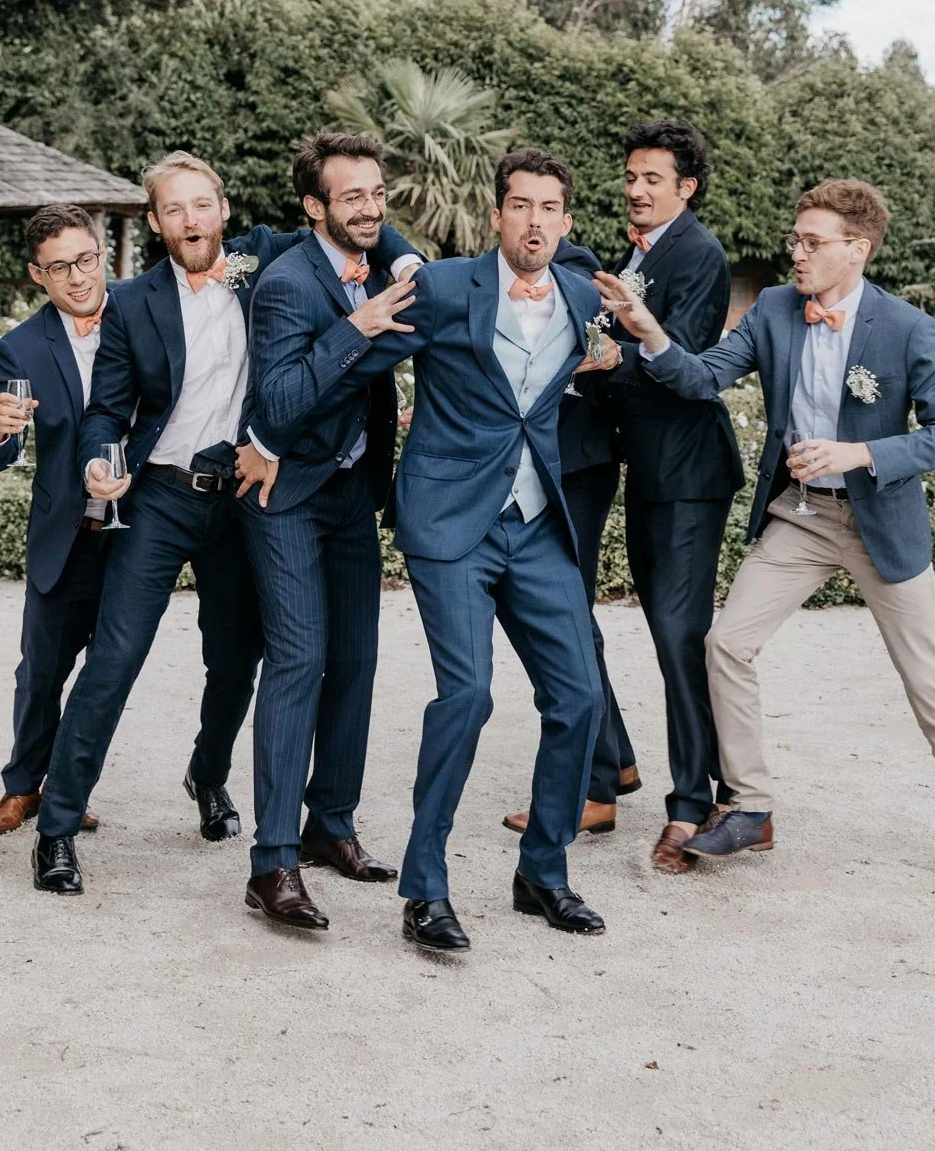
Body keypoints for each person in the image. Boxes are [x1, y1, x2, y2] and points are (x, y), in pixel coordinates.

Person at [596, 177, 935, 892]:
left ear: (857, 250)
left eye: (813, 243)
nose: (797, 252)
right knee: (726, 645)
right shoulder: (777, 310)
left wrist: (860, 454)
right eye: (796, 238)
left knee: (929, 686)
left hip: (879, 521)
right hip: (803, 516)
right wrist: (649, 332)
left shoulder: (906, 326)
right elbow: (700, 379)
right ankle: (751, 806)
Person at [31, 151, 416, 896]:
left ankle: (208, 776)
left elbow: (364, 225)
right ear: (155, 222)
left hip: (243, 499)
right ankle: (56, 825)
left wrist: (410, 259)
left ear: (224, 209)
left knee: (239, 662)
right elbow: (108, 407)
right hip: (161, 500)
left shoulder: (264, 259)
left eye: (201, 205)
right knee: (114, 659)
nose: (190, 221)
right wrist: (97, 461)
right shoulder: (133, 303)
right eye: (173, 210)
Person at [264, 147, 612, 953]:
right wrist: (277, 438)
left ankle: (543, 874)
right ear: (497, 215)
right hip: (451, 526)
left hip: (536, 524)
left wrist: (621, 354)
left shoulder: (584, 293)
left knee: (580, 699)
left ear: (566, 219)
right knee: (468, 696)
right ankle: (425, 890)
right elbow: (358, 361)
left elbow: (591, 368)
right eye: (519, 205)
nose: (534, 222)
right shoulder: (449, 286)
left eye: (549, 208)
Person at [234, 133, 420, 930]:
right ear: (314, 207)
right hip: (286, 494)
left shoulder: (380, 263)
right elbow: (275, 404)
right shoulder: (285, 284)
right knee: (299, 659)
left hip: (352, 489)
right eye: (353, 197)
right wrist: (357, 332)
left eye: (377, 192)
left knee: (355, 659)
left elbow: (408, 337)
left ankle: (330, 824)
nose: (371, 207)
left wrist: (385, 306)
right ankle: (271, 862)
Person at [599, 120, 744, 875]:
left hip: (688, 476)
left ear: (685, 188)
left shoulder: (702, 254)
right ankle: (697, 785)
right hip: (650, 471)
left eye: (652, 178)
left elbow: (676, 355)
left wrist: (594, 359)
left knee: (679, 640)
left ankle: (695, 805)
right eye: (631, 176)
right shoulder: (640, 250)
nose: (636, 189)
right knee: (668, 632)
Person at [0, 204, 111, 838]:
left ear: (101, 254)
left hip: (140, 536)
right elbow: (2, 447)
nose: (77, 277)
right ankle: (22, 787)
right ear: (37, 274)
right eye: (59, 267)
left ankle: (69, 790)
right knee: (41, 670)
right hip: (66, 536)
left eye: (85, 260)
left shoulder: (141, 317)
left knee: (107, 674)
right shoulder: (21, 345)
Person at [501, 233, 636, 840]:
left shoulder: (568, 265)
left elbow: (596, 341)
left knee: (562, 620)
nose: (532, 222)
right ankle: (618, 758)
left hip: (571, 464)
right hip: (548, 461)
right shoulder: (497, 273)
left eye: (546, 206)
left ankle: (592, 788)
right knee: (572, 615)